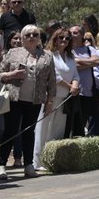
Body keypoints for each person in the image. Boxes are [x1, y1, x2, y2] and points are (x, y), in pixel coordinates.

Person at [0, 24, 55, 180]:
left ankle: (28, 165)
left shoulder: (47, 56)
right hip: (14, 98)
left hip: (35, 100)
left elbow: (52, 82)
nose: (31, 37)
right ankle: (1, 165)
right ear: (22, 38)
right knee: (10, 130)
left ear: (39, 37)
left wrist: (49, 102)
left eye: (35, 34)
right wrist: (12, 74)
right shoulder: (13, 53)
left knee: (29, 131)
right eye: (27, 35)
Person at [32, 23, 78, 171]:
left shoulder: (70, 57)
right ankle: (37, 161)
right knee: (43, 128)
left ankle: (51, 159)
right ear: (55, 39)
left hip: (64, 97)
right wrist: (71, 86)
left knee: (57, 129)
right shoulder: (49, 54)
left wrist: (75, 85)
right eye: (61, 38)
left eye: (67, 38)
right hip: (49, 97)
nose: (64, 40)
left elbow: (75, 74)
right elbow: (54, 77)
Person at [68, 25, 99, 137]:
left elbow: (97, 61)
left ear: (82, 35)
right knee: (70, 124)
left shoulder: (89, 49)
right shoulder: (67, 49)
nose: (72, 35)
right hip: (72, 92)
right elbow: (72, 66)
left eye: (76, 32)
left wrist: (78, 61)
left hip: (87, 93)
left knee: (81, 125)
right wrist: (88, 63)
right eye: (71, 32)